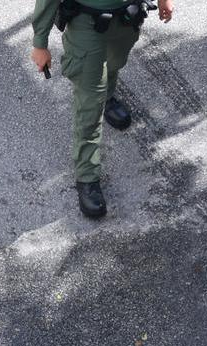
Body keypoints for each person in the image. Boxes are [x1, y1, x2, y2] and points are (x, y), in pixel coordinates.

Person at [31, 0, 174, 218]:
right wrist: (40, 43)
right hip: (87, 23)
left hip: (125, 19)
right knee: (90, 104)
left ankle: (107, 96)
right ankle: (87, 176)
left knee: (115, 63)